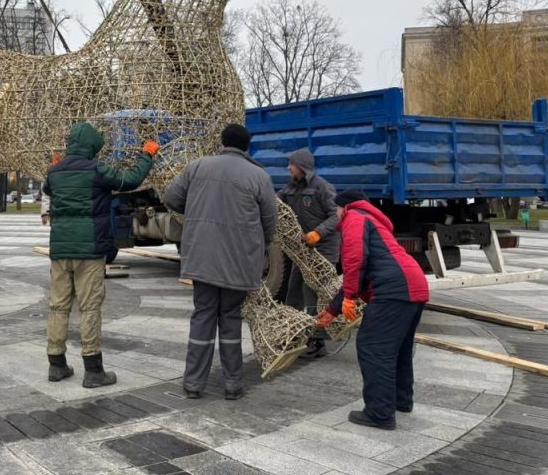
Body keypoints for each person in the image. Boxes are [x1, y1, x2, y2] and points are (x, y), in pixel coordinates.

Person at [164, 123, 278, 401]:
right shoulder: (259, 176)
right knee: (230, 319)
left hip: (201, 258)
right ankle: (233, 385)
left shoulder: (197, 167)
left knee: (202, 316)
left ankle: (193, 384)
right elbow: (270, 223)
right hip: (239, 262)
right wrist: (256, 243)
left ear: (222, 141)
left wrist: (193, 211)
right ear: (246, 147)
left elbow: (171, 198)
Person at [44, 122, 159, 387]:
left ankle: (56, 365)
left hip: (60, 250)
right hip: (90, 249)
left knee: (58, 305)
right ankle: (93, 370)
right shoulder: (96, 170)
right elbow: (129, 180)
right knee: (90, 307)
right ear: (92, 146)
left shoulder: (54, 171)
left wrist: (59, 166)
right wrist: (147, 154)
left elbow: (48, 189)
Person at [316, 189, 430, 430]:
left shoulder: (355, 218)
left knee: (373, 347)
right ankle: (400, 401)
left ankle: (379, 413)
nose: (334, 216)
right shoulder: (374, 222)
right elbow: (366, 268)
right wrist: (333, 309)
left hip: (394, 290)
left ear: (343, 207)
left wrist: (350, 297)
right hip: (414, 286)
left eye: (335, 211)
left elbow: (356, 259)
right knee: (398, 349)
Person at [277, 148, 340, 359]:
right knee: (294, 286)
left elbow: (336, 216)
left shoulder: (323, 187)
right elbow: (276, 203)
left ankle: (317, 340)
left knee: (312, 291)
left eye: (291, 164)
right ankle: (292, 329)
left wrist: (317, 233)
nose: (288, 167)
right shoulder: (291, 188)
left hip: (323, 248)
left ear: (301, 166)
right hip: (304, 249)